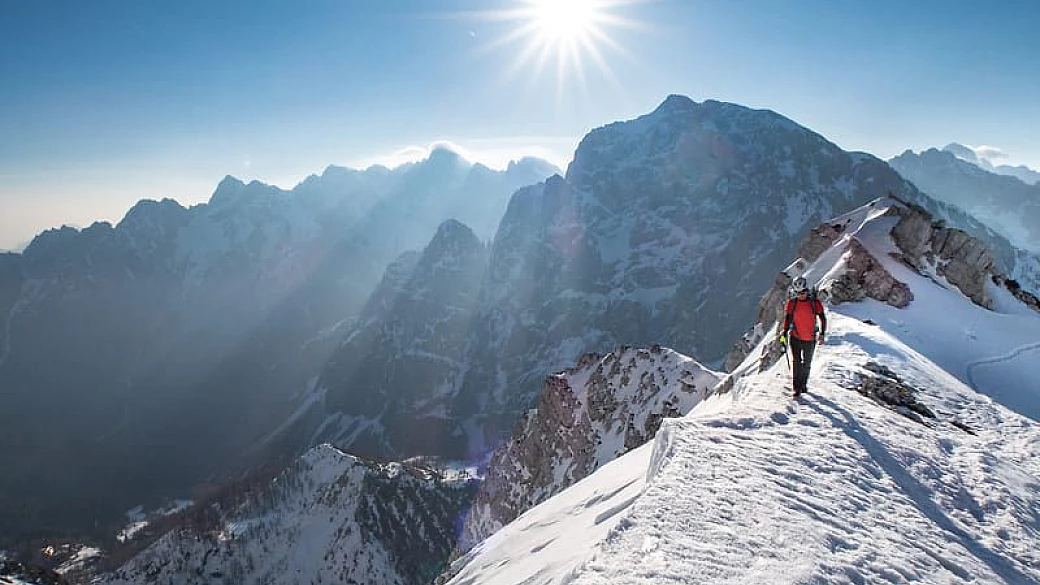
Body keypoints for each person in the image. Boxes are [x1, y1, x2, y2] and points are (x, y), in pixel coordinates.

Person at [778, 276, 826, 397]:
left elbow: (822, 318)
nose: (801, 295)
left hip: (810, 338)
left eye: (803, 292)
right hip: (795, 337)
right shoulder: (792, 303)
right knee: (797, 362)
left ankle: (803, 385)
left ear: (807, 290)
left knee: (807, 363)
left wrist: (822, 334)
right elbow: (788, 319)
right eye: (798, 293)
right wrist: (784, 334)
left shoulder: (815, 303)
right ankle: (796, 388)